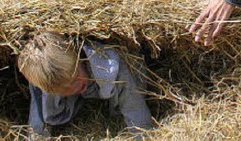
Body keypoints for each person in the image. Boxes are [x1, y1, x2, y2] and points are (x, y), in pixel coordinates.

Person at [18, 31, 153, 138]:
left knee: (132, 83)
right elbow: (38, 120)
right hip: (70, 84)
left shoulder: (112, 68)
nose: (74, 87)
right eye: (65, 88)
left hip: (107, 79)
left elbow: (135, 109)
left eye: (75, 77)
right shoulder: (52, 81)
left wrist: (143, 135)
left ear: (79, 57)